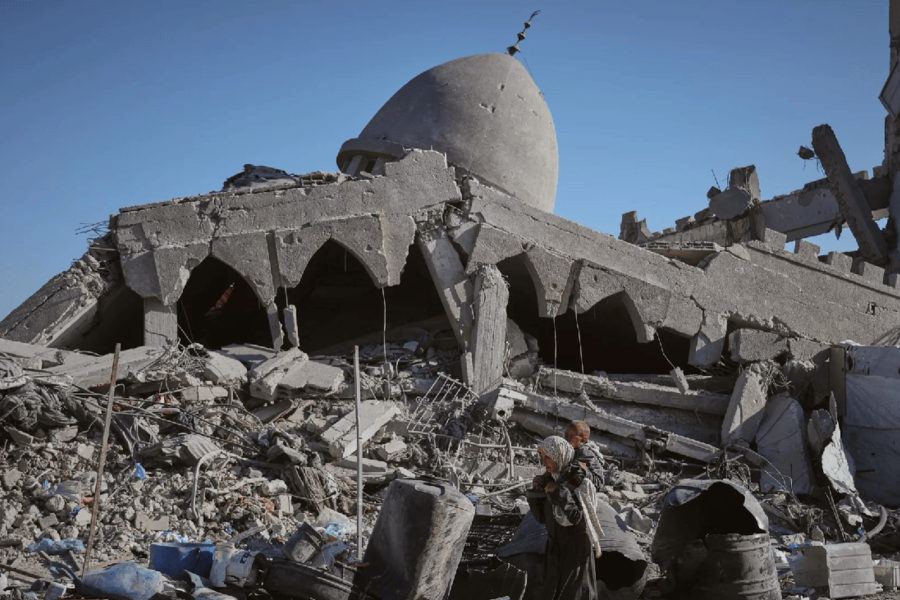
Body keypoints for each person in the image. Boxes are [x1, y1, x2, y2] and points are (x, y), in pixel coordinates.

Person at [528, 435, 602, 600]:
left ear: (559, 455)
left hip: (574, 554)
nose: (544, 462)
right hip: (554, 552)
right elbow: (542, 519)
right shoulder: (551, 480)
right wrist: (535, 493)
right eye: (542, 457)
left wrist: (559, 492)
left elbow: (578, 518)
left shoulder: (578, 481)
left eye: (548, 457)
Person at [565, 420, 606, 489]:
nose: (567, 438)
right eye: (566, 434)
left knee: (578, 470)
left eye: (571, 436)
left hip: (596, 483)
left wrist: (557, 483)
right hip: (583, 477)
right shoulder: (574, 448)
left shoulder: (585, 452)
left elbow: (574, 467)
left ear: (583, 440)